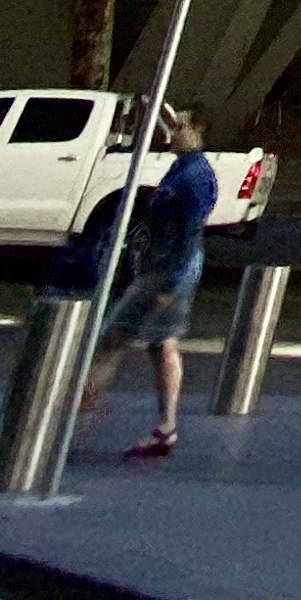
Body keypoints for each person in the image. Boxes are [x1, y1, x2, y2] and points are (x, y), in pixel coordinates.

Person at [78, 105, 216, 463]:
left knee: (114, 339)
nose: (172, 132)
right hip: (165, 269)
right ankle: (164, 425)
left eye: (180, 126)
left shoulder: (194, 175)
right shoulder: (185, 169)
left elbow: (188, 233)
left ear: (199, 131)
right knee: (160, 343)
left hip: (167, 272)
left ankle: (77, 411)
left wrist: (169, 283)